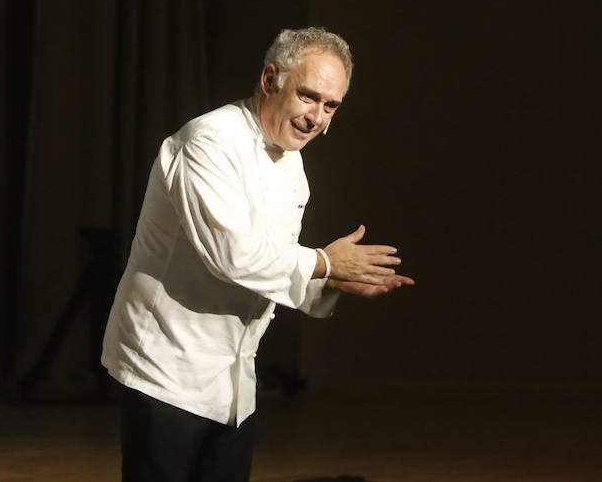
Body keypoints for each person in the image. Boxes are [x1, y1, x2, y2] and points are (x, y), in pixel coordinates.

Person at [101, 27, 414, 482]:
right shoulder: (207, 142)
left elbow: (272, 260)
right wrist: (325, 262)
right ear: (270, 80)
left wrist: (331, 281)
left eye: (331, 106)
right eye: (308, 97)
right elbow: (232, 255)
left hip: (233, 382)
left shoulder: (292, 164)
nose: (317, 119)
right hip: (166, 367)